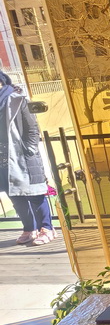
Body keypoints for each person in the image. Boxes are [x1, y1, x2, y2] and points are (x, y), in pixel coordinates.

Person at [0, 71, 56, 245]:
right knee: (15, 196)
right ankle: (30, 228)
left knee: (35, 194)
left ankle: (47, 228)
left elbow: (32, 128)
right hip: (2, 158)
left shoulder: (18, 99)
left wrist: (29, 150)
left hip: (21, 156)